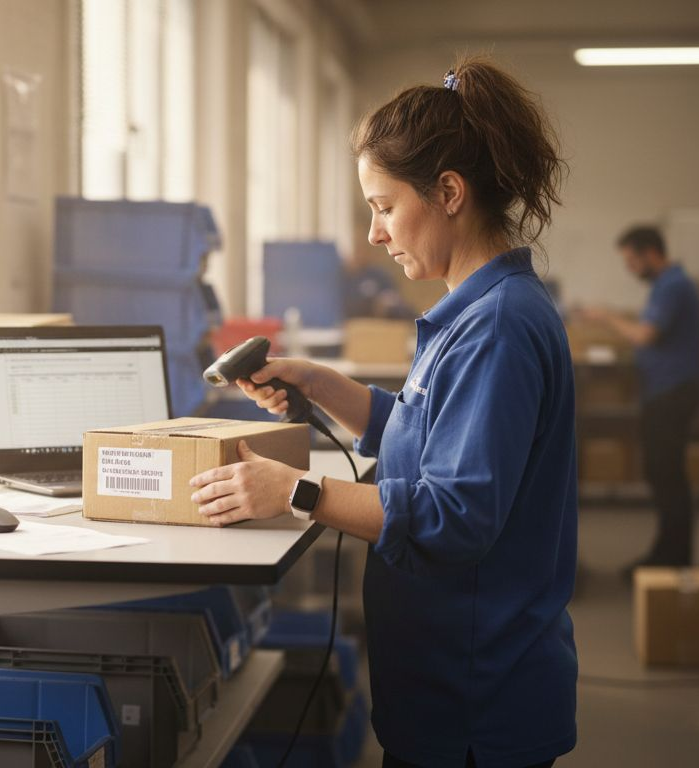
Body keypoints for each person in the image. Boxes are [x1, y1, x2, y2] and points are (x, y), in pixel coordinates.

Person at [189, 57, 575, 768]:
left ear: (450, 192)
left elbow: (455, 515)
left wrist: (297, 492)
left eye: (384, 206)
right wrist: (321, 383)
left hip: (476, 704)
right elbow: (428, 434)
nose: (373, 233)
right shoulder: (476, 314)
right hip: (446, 683)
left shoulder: (497, 327)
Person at [578, 226, 699, 569]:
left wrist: (606, 316)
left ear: (651, 253)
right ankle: (668, 554)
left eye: (632, 260)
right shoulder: (666, 286)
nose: (630, 269)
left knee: (668, 477)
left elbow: (646, 335)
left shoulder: (672, 285)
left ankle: (672, 559)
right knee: (662, 474)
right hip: (664, 391)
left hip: (671, 392)